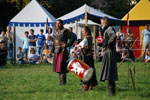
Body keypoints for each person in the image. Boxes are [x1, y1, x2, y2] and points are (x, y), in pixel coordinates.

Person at [74, 26, 98, 91]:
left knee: (85, 71)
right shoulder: (89, 37)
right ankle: (91, 84)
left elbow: (82, 45)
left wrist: (76, 45)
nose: (82, 32)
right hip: (89, 56)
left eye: (83, 31)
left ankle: (86, 85)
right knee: (90, 70)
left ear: (86, 31)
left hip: (86, 57)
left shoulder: (87, 38)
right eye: (82, 31)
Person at [52, 19, 75, 85]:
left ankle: (63, 82)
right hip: (56, 51)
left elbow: (72, 37)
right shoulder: (55, 33)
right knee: (58, 68)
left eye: (59, 23)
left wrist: (67, 45)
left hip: (62, 51)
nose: (58, 25)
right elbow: (54, 43)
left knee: (62, 67)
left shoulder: (65, 31)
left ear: (62, 24)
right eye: (56, 24)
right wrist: (52, 50)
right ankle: (61, 82)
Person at [99, 17, 118, 96]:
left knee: (109, 71)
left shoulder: (109, 28)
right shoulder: (107, 29)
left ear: (105, 22)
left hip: (109, 51)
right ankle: (111, 91)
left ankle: (111, 91)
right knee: (109, 71)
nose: (101, 24)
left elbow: (113, 36)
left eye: (102, 22)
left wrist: (107, 44)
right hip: (108, 51)